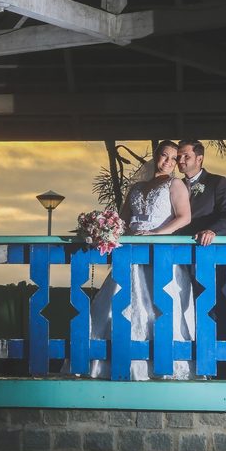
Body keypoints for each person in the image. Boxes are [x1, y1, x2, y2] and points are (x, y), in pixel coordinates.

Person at [88, 140, 193, 380]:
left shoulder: (175, 184)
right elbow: (123, 220)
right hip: (132, 251)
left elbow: (184, 217)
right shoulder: (137, 187)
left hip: (159, 253)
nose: (167, 161)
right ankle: (113, 364)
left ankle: (162, 365)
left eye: (173, 158)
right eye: (164, 156)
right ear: (156, 156)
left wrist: (157, 234)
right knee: (117, 303)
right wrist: (103, 230)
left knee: (158, 307)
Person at [175, 140, 226, 377]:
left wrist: (213, 231)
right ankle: (191, 363)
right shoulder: (174, 185)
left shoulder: (217, 183)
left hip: (210, 256)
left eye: (185, 157)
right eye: (178, 157)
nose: (180, 161)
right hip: (179, 258)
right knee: (183, 306)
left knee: (217, 306)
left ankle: (224, 367)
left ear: (200, 158)